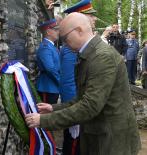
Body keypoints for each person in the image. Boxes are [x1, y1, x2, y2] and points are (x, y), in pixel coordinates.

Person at [25, 13, 141, 155]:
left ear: (79, 30)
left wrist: (44, 120)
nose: (64, 43)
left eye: (65, 38)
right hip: (101, 136)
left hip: (111, 142)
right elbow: (82, 98)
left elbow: (90, 106)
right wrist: (53, 108)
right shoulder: (90, 53)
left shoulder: (101, 57)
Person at [59, 0, 97, 154]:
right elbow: (68, 81)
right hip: (77, 109)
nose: (94, 19)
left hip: (82, 106)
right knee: (74, 146)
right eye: (90, 15)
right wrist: (73, 114)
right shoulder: (72, 47)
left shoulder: (85, 43)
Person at [36, 19, 60, 104]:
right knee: (46, 114)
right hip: (47, 87)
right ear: (48, 32)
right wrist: (60, 81)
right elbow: (50, 68)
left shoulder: (51, 46)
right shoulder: (45, 47)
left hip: (52, 87)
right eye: (56, 30)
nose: (58, 32)